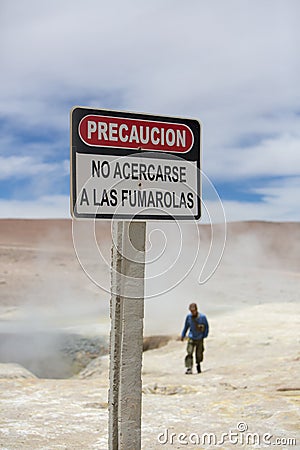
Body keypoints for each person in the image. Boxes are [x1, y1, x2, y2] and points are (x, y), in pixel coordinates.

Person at [181, 303, 209, 374]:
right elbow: (186, 326)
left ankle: (198, 365)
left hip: (199, 338)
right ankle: (189, 368)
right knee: (189, 352)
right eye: (191, 311)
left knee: (199, 354)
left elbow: (206, 327)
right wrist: (183, 335)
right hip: (191, 337)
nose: (192, 312)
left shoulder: (202, 317)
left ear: (196, 310)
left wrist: (204, 335)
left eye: (193, 311)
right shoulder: (188, 317)